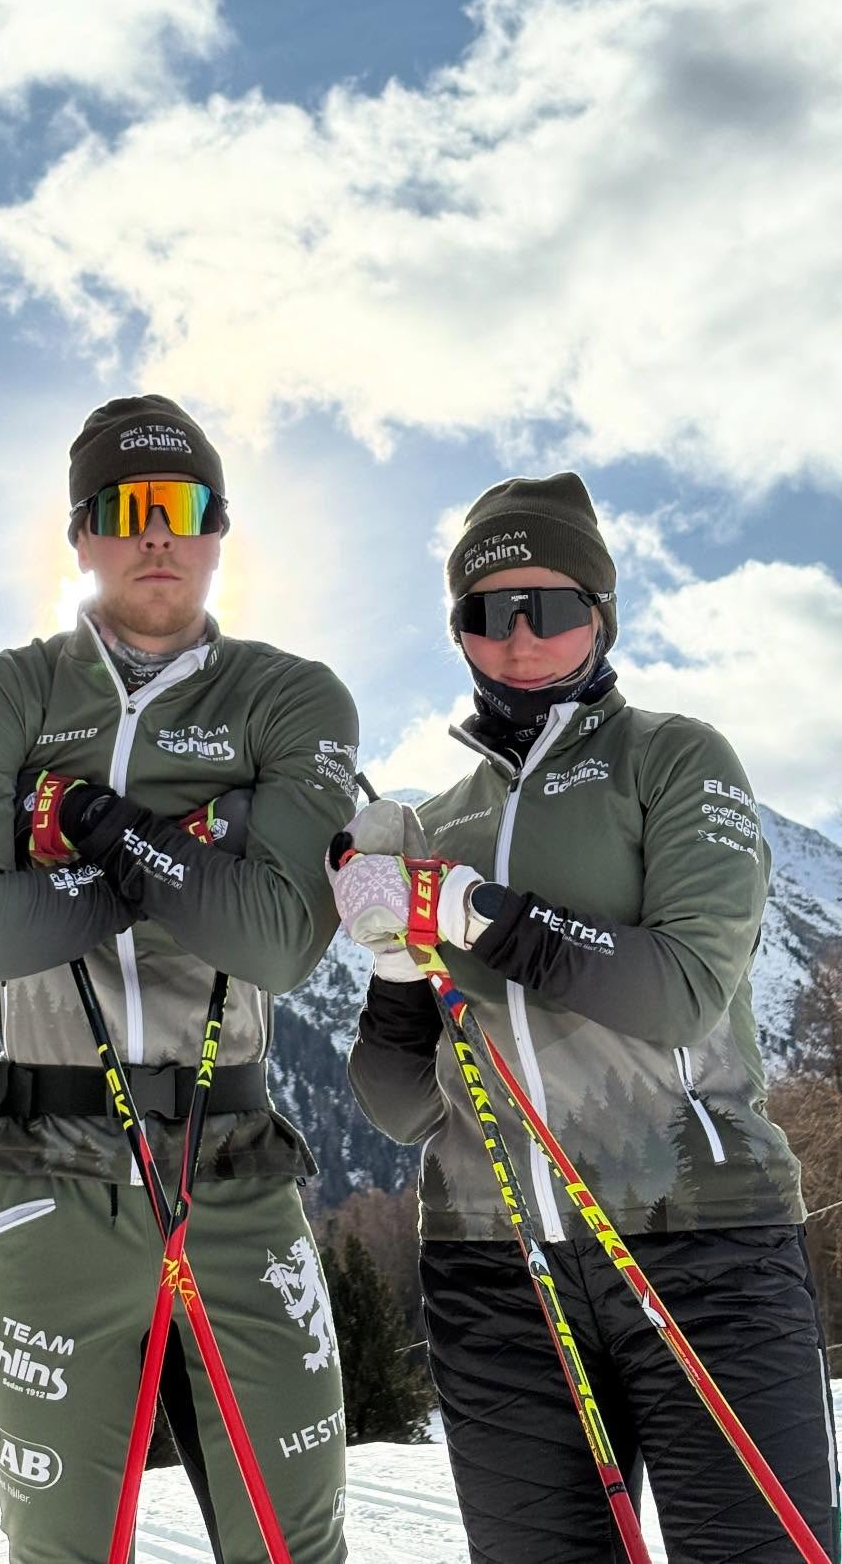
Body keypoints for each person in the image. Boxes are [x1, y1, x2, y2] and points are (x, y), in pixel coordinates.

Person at [332, 471, 839, 1564]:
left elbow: (681, 988)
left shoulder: (672, 757)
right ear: (459, 630)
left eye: (550, 608)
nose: (519, 638)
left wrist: (472, 911)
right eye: (487, 612)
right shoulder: (442, 819)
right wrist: (396, 961)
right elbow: (402, 1105)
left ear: (600, 614)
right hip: (491, 1268)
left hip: (701, 1241)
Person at [0, 392, 361, 1564]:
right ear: (79, 532)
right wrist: (183, 849)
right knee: (62, 1549)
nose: (156, 534)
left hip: (236, 1172)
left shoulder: (290, 695)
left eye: (184, 508)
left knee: (294, 1540)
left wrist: (89, 827)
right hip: (45, 1175)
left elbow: (275, 943)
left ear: (223, 526)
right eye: (124, 510)